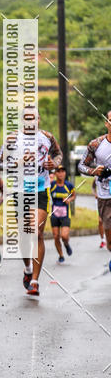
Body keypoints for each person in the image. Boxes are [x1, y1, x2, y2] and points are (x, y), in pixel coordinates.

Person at [0, 113, 62, 297]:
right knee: (24, 235)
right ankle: (27, 268)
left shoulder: (47, 137)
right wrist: (18, 163)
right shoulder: (12, 138)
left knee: (36, 232)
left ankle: (34, 281)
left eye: (34, 118)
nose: (31, 121)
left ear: (39, 120)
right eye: (27, 118)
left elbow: (58, 154)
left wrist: (53, 164)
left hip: (40, 190)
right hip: (19, 191)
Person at [78, 110, 111, 270]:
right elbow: (81, 165)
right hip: (105, 195)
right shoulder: (96, 144)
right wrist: (94, 171)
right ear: (106, 123)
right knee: (110, 239)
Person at [50, 166, 75, 263]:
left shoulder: (69, 185)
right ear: (56, 173)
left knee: (64, 236)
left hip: (65, 214)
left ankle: (66, 244)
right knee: (56, 236)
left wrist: (69, 200)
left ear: (65, 173)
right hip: (54, 214)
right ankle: (61, 255)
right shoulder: (52, 185)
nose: (60, 174)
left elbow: (73, 195)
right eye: (58, 172)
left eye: (62, 172)